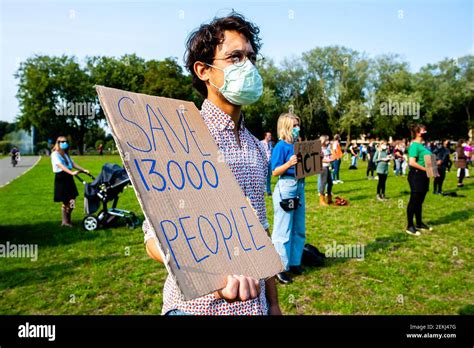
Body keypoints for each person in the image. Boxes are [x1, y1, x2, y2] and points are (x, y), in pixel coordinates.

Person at [143, 13, 281, 315]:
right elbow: (153, 239)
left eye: (251, 57)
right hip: (196, 309)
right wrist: (213, 276)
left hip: (254, 307)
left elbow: (261, 233)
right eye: (235, 57)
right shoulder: (179, 140)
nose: (247, 66)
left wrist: (273, 303)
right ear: (204, 70)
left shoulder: (256, 147)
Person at [271, 113, 306, 285]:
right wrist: (289, 164)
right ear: (285, 127)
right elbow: (275, 171)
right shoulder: (280, 146)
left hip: (300, 186)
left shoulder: (299, 145)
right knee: (283, 230)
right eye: (294, 125)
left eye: (298, 125)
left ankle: (294, 262)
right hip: (286, 187)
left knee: (298, 227)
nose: (297, 128)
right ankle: (280, 268)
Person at [51, 136, 89, 227]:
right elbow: (60, 165)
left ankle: (68, 219)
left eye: (66, 141)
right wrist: (71, 172)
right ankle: (65, 221)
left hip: (69, 177)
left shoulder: (66, 154)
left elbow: (72, 164)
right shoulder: (55, 154)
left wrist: (83, 170)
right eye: (62, 142)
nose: (65, 143)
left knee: (72, 200)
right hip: (61, 177)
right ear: (58, 142)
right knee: (65, 200)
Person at [405, 124, 433, 236]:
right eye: (423, 129)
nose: (426, 130)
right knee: (414, 200)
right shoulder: (414, 145)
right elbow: (412, 162)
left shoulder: (423, 146)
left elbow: (426, 159)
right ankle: (410, 226)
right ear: (418, 132)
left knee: (420, 201)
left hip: (424, 175)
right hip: (416, 175)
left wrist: (434, 167)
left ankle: (419, 223)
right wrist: (426, 169)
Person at [318, 135, 334, 206]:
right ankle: (322, 200)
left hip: (328, 167)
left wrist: (331, 158)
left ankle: (329, 198)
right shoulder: (319, 149)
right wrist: (327, 160)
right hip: (323, 167)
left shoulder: (327, 148)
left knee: (330, 183)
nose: (328, 141)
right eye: (326, 140)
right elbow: (319, 159)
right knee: (323, 183)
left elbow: (330, 155)